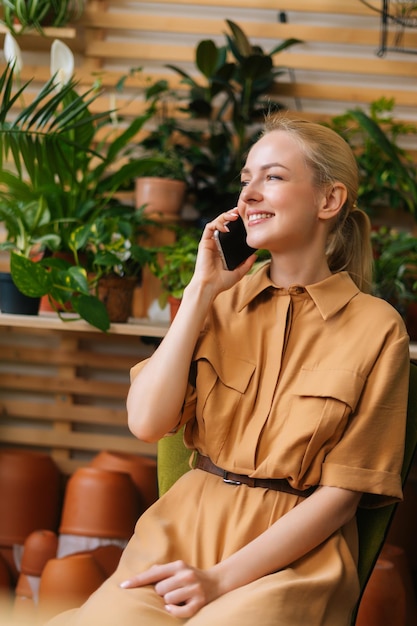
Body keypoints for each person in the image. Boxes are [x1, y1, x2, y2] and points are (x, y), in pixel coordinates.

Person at [45, 115, 410, 626]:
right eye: (245, 179)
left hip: (292, 559)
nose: (249, 194)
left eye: (274, 177)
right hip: (180, 533)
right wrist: (200, 291)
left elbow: (340, 498)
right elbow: (147, 423)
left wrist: (219, 580)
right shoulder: (217, 303)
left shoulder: (378, 329)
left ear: (330, 201)